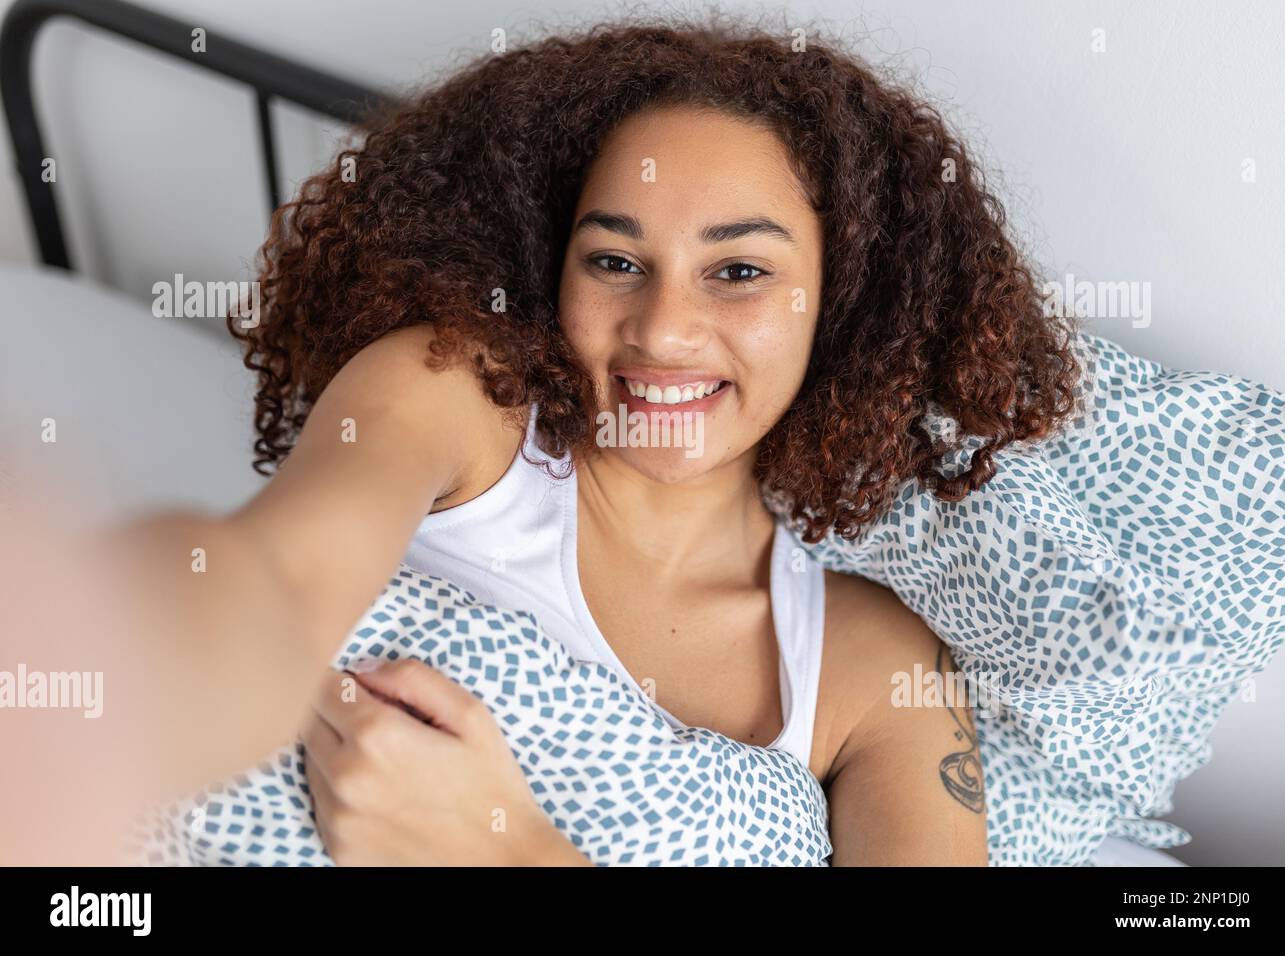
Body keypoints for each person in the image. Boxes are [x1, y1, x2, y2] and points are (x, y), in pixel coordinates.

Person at [5, 15, 1084, 866]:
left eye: (740, 271)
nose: (661, 328)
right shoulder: (454, 395)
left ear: (843, 304)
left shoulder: (870, 665)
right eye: (614, 260)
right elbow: (266, 584)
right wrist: (88, 676)